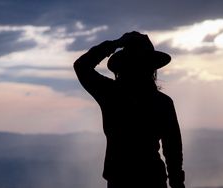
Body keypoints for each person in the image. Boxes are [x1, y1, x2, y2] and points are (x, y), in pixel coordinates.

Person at [74, 31, 185, 188]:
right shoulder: (162, 102)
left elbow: (81, 66)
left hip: (120, 179)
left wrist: (115, 43)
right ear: (152, 69)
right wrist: (177, 182)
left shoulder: (111, 94)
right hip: (152, 179)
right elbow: (173, 150)